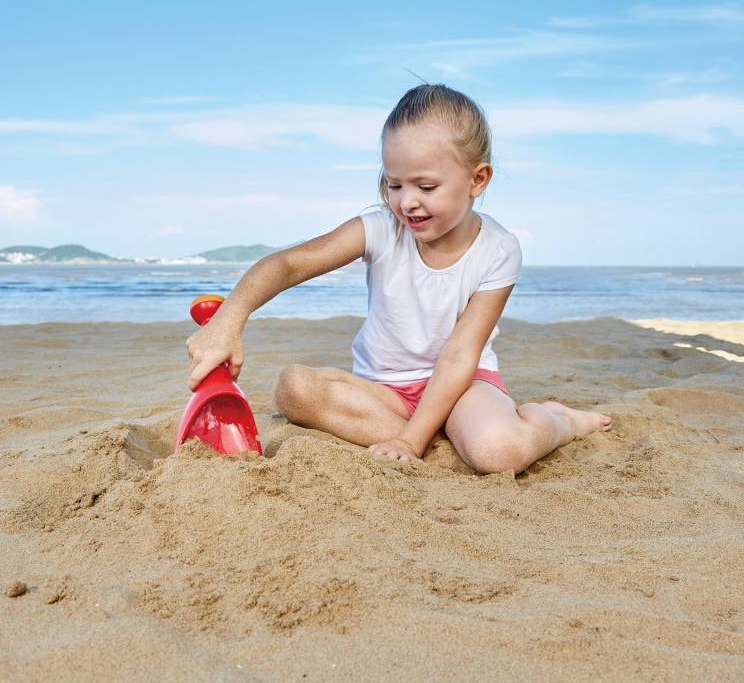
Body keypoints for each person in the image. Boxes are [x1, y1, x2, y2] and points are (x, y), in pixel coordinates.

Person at [186, 84, 612, 474]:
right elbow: (289, 264)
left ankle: (559, 420)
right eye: (394, 185)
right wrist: (230, 317)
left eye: (426, 187)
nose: (407, 203)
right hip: (385, 394)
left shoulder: (498, 249)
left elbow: (460, 355)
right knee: (294, 388)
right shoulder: (380, 228)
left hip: (465, 386)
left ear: (477, 179)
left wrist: (409, 439)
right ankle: (442, 433)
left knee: (499, 452)